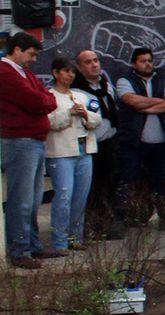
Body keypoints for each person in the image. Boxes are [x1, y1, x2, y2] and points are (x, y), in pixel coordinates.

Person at [1, 32, 61, 268]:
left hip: (33, 139)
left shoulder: (24, 73)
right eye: (31, 54)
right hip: (19, 140)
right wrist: (43, 100)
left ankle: (32, 245)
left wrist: (43, 99)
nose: (33, 60)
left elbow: (48, 98)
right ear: (16, 49)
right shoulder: (5, 72)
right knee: (22, 199)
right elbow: (38, 101)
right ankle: (19, 249)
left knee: (34, 199)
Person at [115, 47, 165, 229]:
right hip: (134, 142)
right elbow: (131, 101)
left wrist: (146, 106)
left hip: (159, 142)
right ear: (134, 63)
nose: (147, 64)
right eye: (143, 61)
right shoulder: (125, 80)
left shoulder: (162, 79)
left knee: (159, 181)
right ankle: (121, 219)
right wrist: (159, 100)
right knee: (127, 180)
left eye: (149, 60)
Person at [44, 58, 102, 252]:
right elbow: (49, 122)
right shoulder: (48, 95)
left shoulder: (81, 96)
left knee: (80, 196)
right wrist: (69, 113)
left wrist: (84, 114)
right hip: (61, 152)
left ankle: (75, 238)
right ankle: (59, 241)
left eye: (73, 72)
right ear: (55, 73)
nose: (70, 75)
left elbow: (96, 119)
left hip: (84, 148)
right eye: (66, 71)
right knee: (64, 195)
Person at [76, 49, 123, 239]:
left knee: (110, 183)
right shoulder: (77, 90)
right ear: (79, 67)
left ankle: (109, 222)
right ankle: (91, 224)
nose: (94, 64)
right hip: (90, 143)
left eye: (96, 60)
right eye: (88, 62)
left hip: (110, 141)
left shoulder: (105, 84)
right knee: (91, 185)